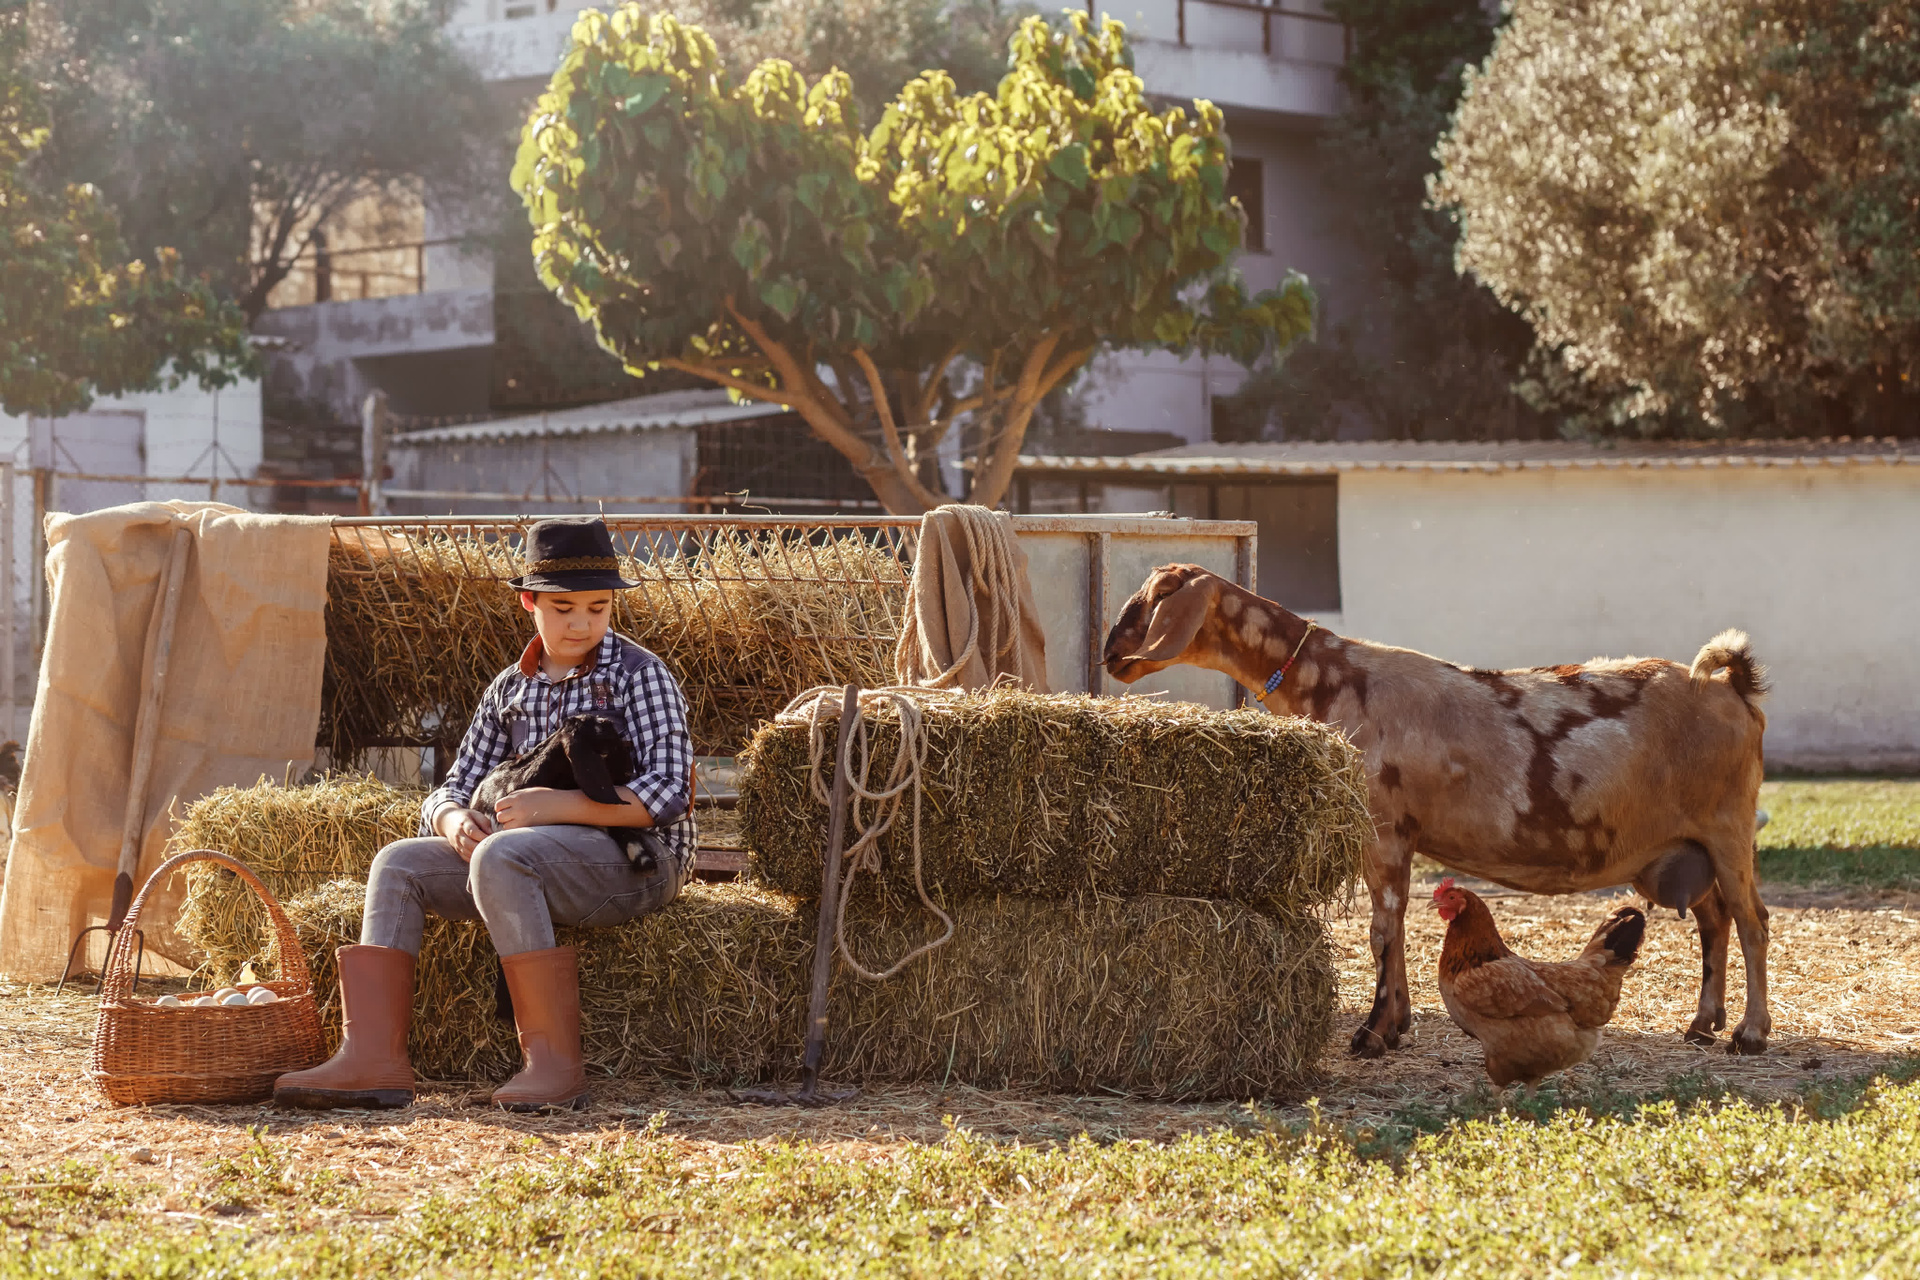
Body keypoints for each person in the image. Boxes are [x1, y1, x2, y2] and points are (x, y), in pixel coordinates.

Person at [274, 518, 696, 1112]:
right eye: (564, 607)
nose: (582, 623)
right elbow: (453, 786)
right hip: (522, 859)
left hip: (636, 859)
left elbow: (672, 791)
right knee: (398, 864)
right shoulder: (508, 691)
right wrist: (452, 820)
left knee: (504, 853)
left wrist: (561, 806)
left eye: (598, 609)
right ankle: (373, 1056)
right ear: (530, 603)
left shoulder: (639, 675)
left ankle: (552, 1064)